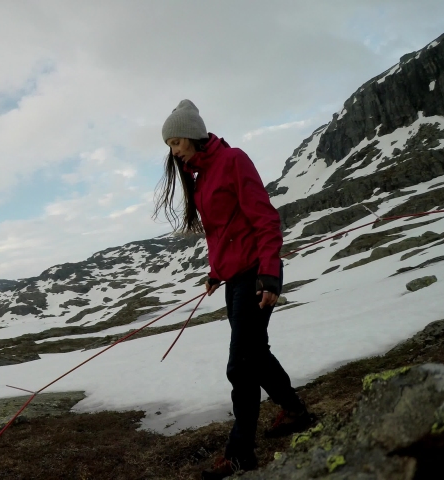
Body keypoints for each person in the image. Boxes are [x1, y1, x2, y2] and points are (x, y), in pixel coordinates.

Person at [155, 100, 314, 479]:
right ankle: (294, 411)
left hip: (256, 274)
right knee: (255, 354)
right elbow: (221, 232)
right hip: (234, 278)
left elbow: (264, 218)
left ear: (193, 135)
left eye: (176, 142)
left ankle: (240, 452)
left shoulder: (234, 160)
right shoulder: (199, 177)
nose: (173, 151)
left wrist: (270, 275)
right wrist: (215, 272)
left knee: (241, 363)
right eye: (170, 145)